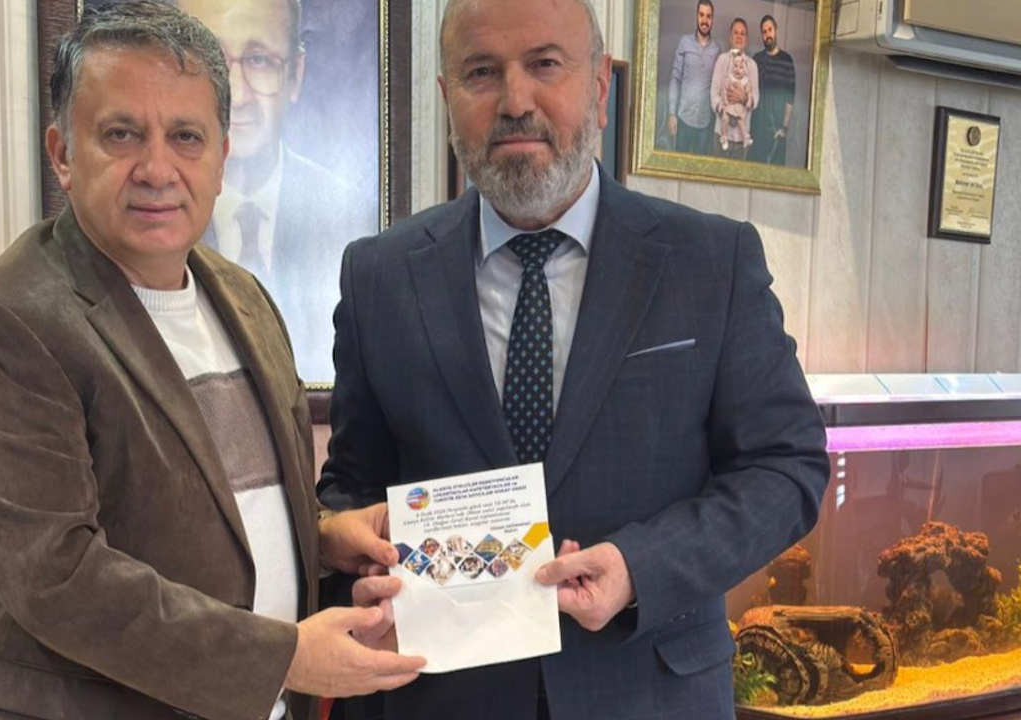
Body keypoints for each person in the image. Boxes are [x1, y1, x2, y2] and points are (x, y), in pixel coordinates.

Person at [317, 0, 829, 718]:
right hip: (437, 696)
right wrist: (343, 550)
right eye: (481, 72)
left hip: (648, 694)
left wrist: (640, 568)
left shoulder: (711, 261)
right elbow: (352, 487)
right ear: (446, 97)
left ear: (599, 86)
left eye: (545, 64)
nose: (515, 101)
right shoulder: (379, 275)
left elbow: (786, 467)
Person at [0, 4, 423, 719]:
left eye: (186, 136)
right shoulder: (2, 322)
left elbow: (219, 511)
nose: (157, 169)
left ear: (221, 158)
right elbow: (57, 577)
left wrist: (322, 536)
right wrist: (283, 657)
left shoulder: (243, 297)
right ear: (62, 154)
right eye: (121, 134)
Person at [177, 0, 374, 383]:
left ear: (295, 75)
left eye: (259, 60)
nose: (237, 94)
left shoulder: (353, 215)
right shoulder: (151, 219)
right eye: (212, 62)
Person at [667, 0, 721, 155]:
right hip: (683, 119)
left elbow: (717, 87)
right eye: (702, 15)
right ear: (697, 16)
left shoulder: (717, 50)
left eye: (708, 16)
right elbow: (675, 78)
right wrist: (672, 113)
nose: (705, 20)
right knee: (679, 165)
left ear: (712, 19)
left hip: (705, 124)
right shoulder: (685, 42)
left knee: (699, 168)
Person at [710, 17, 759, 160]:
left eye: (742, 33)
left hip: (741, 138)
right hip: (720, 133)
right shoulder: (722, 60)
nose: (739, 36)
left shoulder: (752, 65)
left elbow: (756, 98)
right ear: (730, 38)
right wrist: (726, 111)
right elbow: (714, 93)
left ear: (746, 39)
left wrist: (743, 98)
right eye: (736, 33)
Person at [750, 14, 796, 165]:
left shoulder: (787, 60)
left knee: (775, 174)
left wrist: (784, 128)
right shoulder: (756, 59)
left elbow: (790, 98)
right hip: (757, 130)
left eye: (770, 30)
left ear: (776, 30)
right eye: (764, 32)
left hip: (777, 130)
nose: (767, 35)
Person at [716, 48, 754, 153]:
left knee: (741, 121)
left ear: (745, 70)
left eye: (741, 67)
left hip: (739, 107)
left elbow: (750, 93)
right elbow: (724, 89)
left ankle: (745, 137)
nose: (737, 69)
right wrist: (725, 101)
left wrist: (748, 101)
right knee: (725, 118)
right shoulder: (730, 78)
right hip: (729, 105)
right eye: (735, 66)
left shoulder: (746, 81)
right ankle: (724, 137)